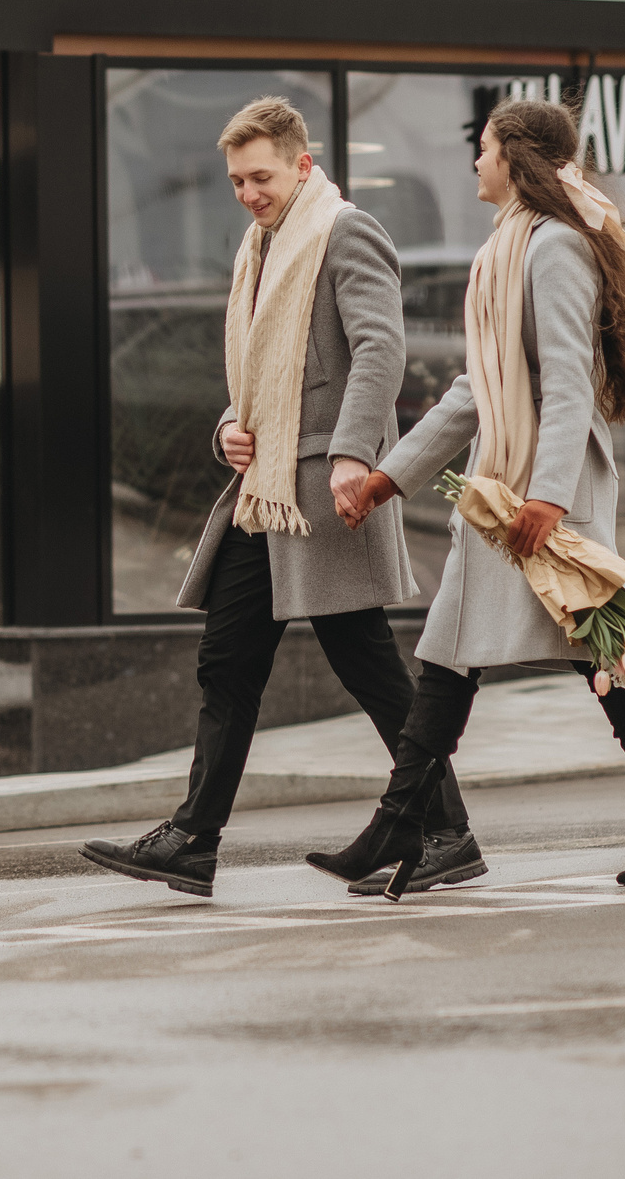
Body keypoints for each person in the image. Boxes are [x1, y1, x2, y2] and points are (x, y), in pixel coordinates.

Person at [312, 97, 625, 900]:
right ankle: (405, 821)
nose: (475, 161)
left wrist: (551, 499)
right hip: (504, 486)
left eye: (486, 148)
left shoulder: (554, 248)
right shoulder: (508, 246)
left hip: (537, 493)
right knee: (451, 652)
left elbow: (568, 384)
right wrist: (390, 475)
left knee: (601, 651)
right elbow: (477, 388)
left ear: (516, 159)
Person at [79, 97, 478, 899]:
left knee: (368, 667)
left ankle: (447, 830)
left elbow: (380, 348)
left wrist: (353, 454)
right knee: (226, 660)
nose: (247, 193)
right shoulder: (258, 246)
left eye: (260, 176)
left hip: (324, 489)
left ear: (302, 164)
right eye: (235, 180)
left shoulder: (344, 230)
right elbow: (262, 376)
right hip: (263, 494)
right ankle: (193, 838)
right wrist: (231, 423)